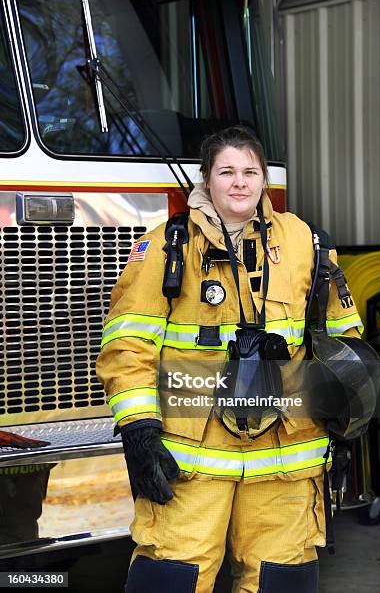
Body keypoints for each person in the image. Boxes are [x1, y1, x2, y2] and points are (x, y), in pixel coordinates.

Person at [96, 127, 363, 593]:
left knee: (281, 579)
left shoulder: (305, 242)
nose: (239, 183)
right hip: (190, 459)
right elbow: (128, 344)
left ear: (263, 180)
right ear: (206, 179)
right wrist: (138, 429)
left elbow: (341, 336)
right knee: (173, 576)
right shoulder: (165, 247)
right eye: (226, 172)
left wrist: (343, 414)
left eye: (249, 172)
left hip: (287, 456)